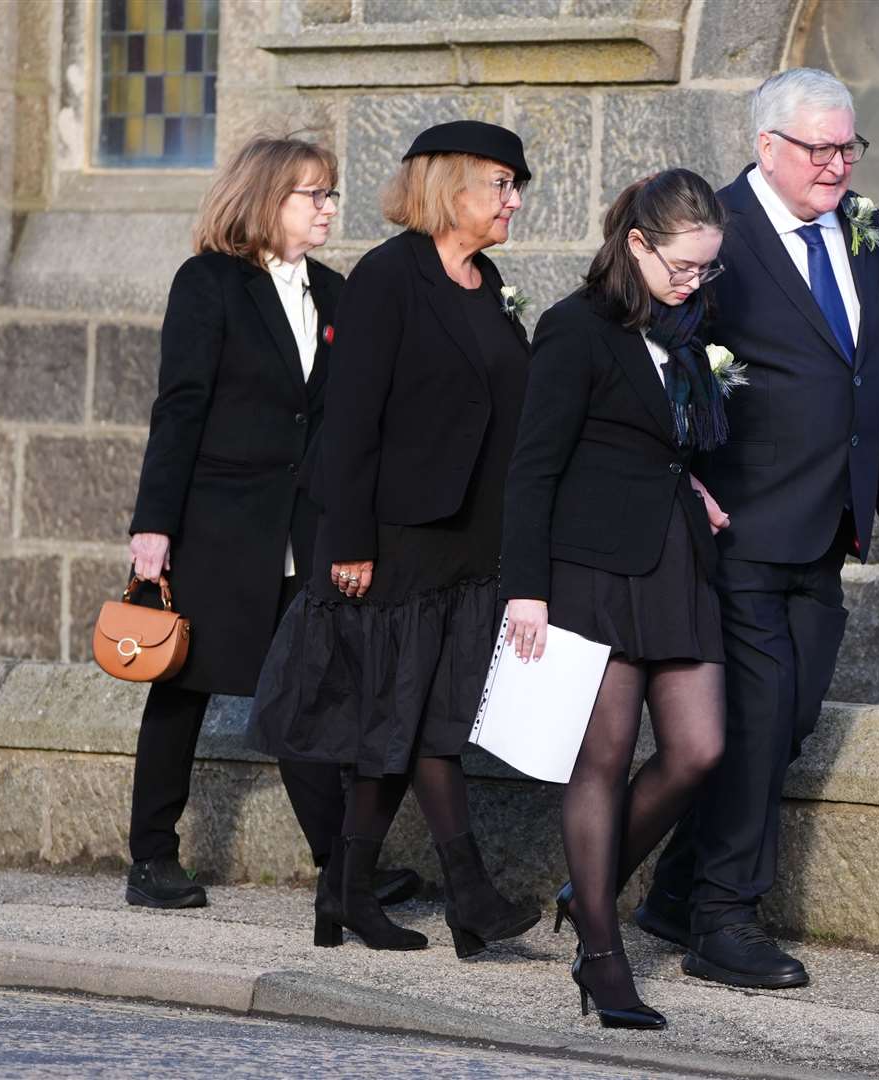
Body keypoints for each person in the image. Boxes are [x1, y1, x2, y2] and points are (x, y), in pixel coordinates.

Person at [638, 68, 879, 990]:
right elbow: (661, 363)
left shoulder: (862, 226)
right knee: (759, 719)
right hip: (739, 526)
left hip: (829, 524)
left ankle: (675, 887)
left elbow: (867, 376)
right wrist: (681, 482)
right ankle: (724, 922)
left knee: (791, 717)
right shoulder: (714, 232)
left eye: (850, 146)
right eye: (821, 148)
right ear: (768, 146)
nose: (839, 164)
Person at [249, 121, 540, 957]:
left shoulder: (488, 282)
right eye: (500, 184)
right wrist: (348, 540)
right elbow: (350, 421)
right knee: (414, 722)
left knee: (412, 721)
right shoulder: (388, 277)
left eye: (517, 186)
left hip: (469, 541)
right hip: (395, 539)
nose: (512, 200)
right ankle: (470, 894)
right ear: (450, 186)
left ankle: (345, 891)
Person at [124, 134, 419, 921]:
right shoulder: (209, 282)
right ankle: (151, 855)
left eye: (329, 193)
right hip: (218, 523)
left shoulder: (336, 288)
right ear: (266, 199)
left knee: (307, 689)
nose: (328, 208)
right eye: (312, 195)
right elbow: (178, 406)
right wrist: (153, 526)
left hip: (306, 525)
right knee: (180, 683)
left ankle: (339, 865)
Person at [500, 170, 733, 1030]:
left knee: (700, 749)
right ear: (636, 244)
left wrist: (694, 486)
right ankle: (603, 958)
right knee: (599, 760)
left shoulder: (681, 328)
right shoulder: (572, 329)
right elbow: (533, 466)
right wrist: (524, 589)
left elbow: (659, 443)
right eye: (682, 267)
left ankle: (584, 889)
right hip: (592, 570)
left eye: (706, 270)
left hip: (675, 560)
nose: (693, 283)